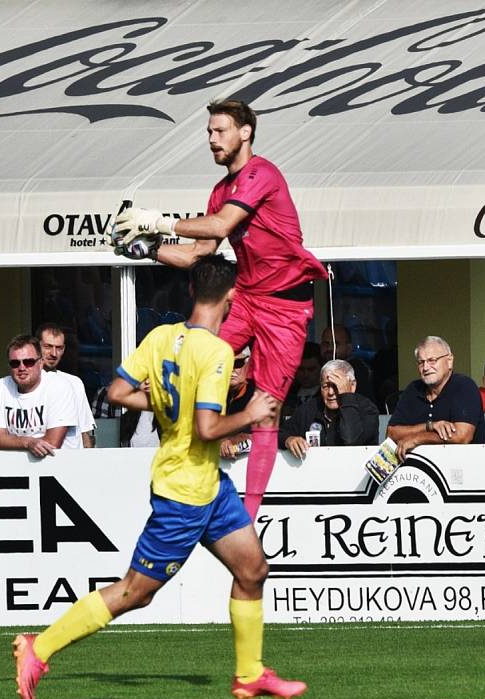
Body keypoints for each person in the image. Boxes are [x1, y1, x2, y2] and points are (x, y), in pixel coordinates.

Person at [12, 254, 307, 699]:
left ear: (191, 291)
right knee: (134, 592)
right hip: (183, 491)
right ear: (232, 298)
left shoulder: (161, 337)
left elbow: (116, 392)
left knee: (253, 570)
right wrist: (249, 414)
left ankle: (249, 675)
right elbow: (208, 429)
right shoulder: (217, 351)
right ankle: (39, 649)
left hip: (209, 484)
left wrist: (169, 402)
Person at [113, 98, 328, 521]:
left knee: (267, 408)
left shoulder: (261, 173)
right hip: (246, 296)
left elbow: (219, 227)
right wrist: (150, 250)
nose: (212, 139)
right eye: (209, 132)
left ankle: (249, 517)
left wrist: (157, 222)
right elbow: (200, 252)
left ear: (245, 133)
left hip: (285, 308)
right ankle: (184, 456)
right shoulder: (219, 189)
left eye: (220, 131)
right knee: (191, 360)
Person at [387, 335, 485, 462]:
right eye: (421, 362)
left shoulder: (464, 386)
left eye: (432, 360)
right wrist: (430, 426)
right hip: (419, 473)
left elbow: (462, 436)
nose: (426, 367)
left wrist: (416, 439)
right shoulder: (413, 389)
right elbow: (391, 433)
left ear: (449, 361)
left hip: (464, 469)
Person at [0, 334, 78, 457]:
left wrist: (12, 441)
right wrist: (27, 442)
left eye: (28, 362)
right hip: (20, 468)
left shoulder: (59, 386)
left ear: (40, 363)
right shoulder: (1, 386)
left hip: (61, 467)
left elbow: (52, 443)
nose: (22, 367)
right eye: (15, 363)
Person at [279, 360, 379, 457]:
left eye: (337, 386)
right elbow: (278, 434)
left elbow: (351, 441)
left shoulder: (367, 410)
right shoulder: (311, 407)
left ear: (352, 386)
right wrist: (288, 439)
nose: (330, 392)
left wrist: (347, 398)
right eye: (325, 386)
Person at [35, 323, 96, 447]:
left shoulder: (74, 383)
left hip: (72, 462)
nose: (54, 353)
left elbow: (85, 431)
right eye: (47, 346)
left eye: (59, 348)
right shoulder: (25, 384)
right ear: (36, 347)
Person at [319, 325, 374, 401]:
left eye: (336, 344)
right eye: (326, 344)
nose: (330, 348)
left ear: (349, 348)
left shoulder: (355, 369)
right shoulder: (319, 366)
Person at [220, 346, 254, 459]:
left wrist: (231, 440)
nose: (231, 369)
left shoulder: (261, 395)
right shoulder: (215, 396)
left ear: (249, 365)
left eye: (237, 363)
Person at [281, 341, 322, 419]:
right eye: (301, 369)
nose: (305, 374)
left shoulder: (327, 394)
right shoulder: (286, 393)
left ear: (321, 367)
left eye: (311, 369)